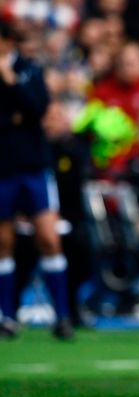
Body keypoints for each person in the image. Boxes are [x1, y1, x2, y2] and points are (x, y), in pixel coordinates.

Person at [0, 22, 73, 340]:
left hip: (32, 167)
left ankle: (62, 315)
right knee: (3, 243)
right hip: (2, 168)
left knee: (49, 238)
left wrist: (10, 83)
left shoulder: (28, 69)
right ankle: (7, 316)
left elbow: (36, 107)